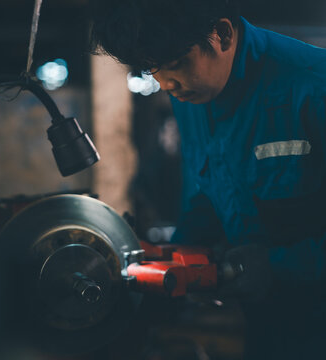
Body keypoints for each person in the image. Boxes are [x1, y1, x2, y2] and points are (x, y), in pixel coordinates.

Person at [89, 1, 326, 359]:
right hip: (264, 324)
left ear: (223, 35)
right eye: (153, 69)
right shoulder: (192, 94)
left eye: (175, 65)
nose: (165, 83)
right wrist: (178, 262)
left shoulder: (313, 86)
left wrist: (277, 266)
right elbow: (206, 192)